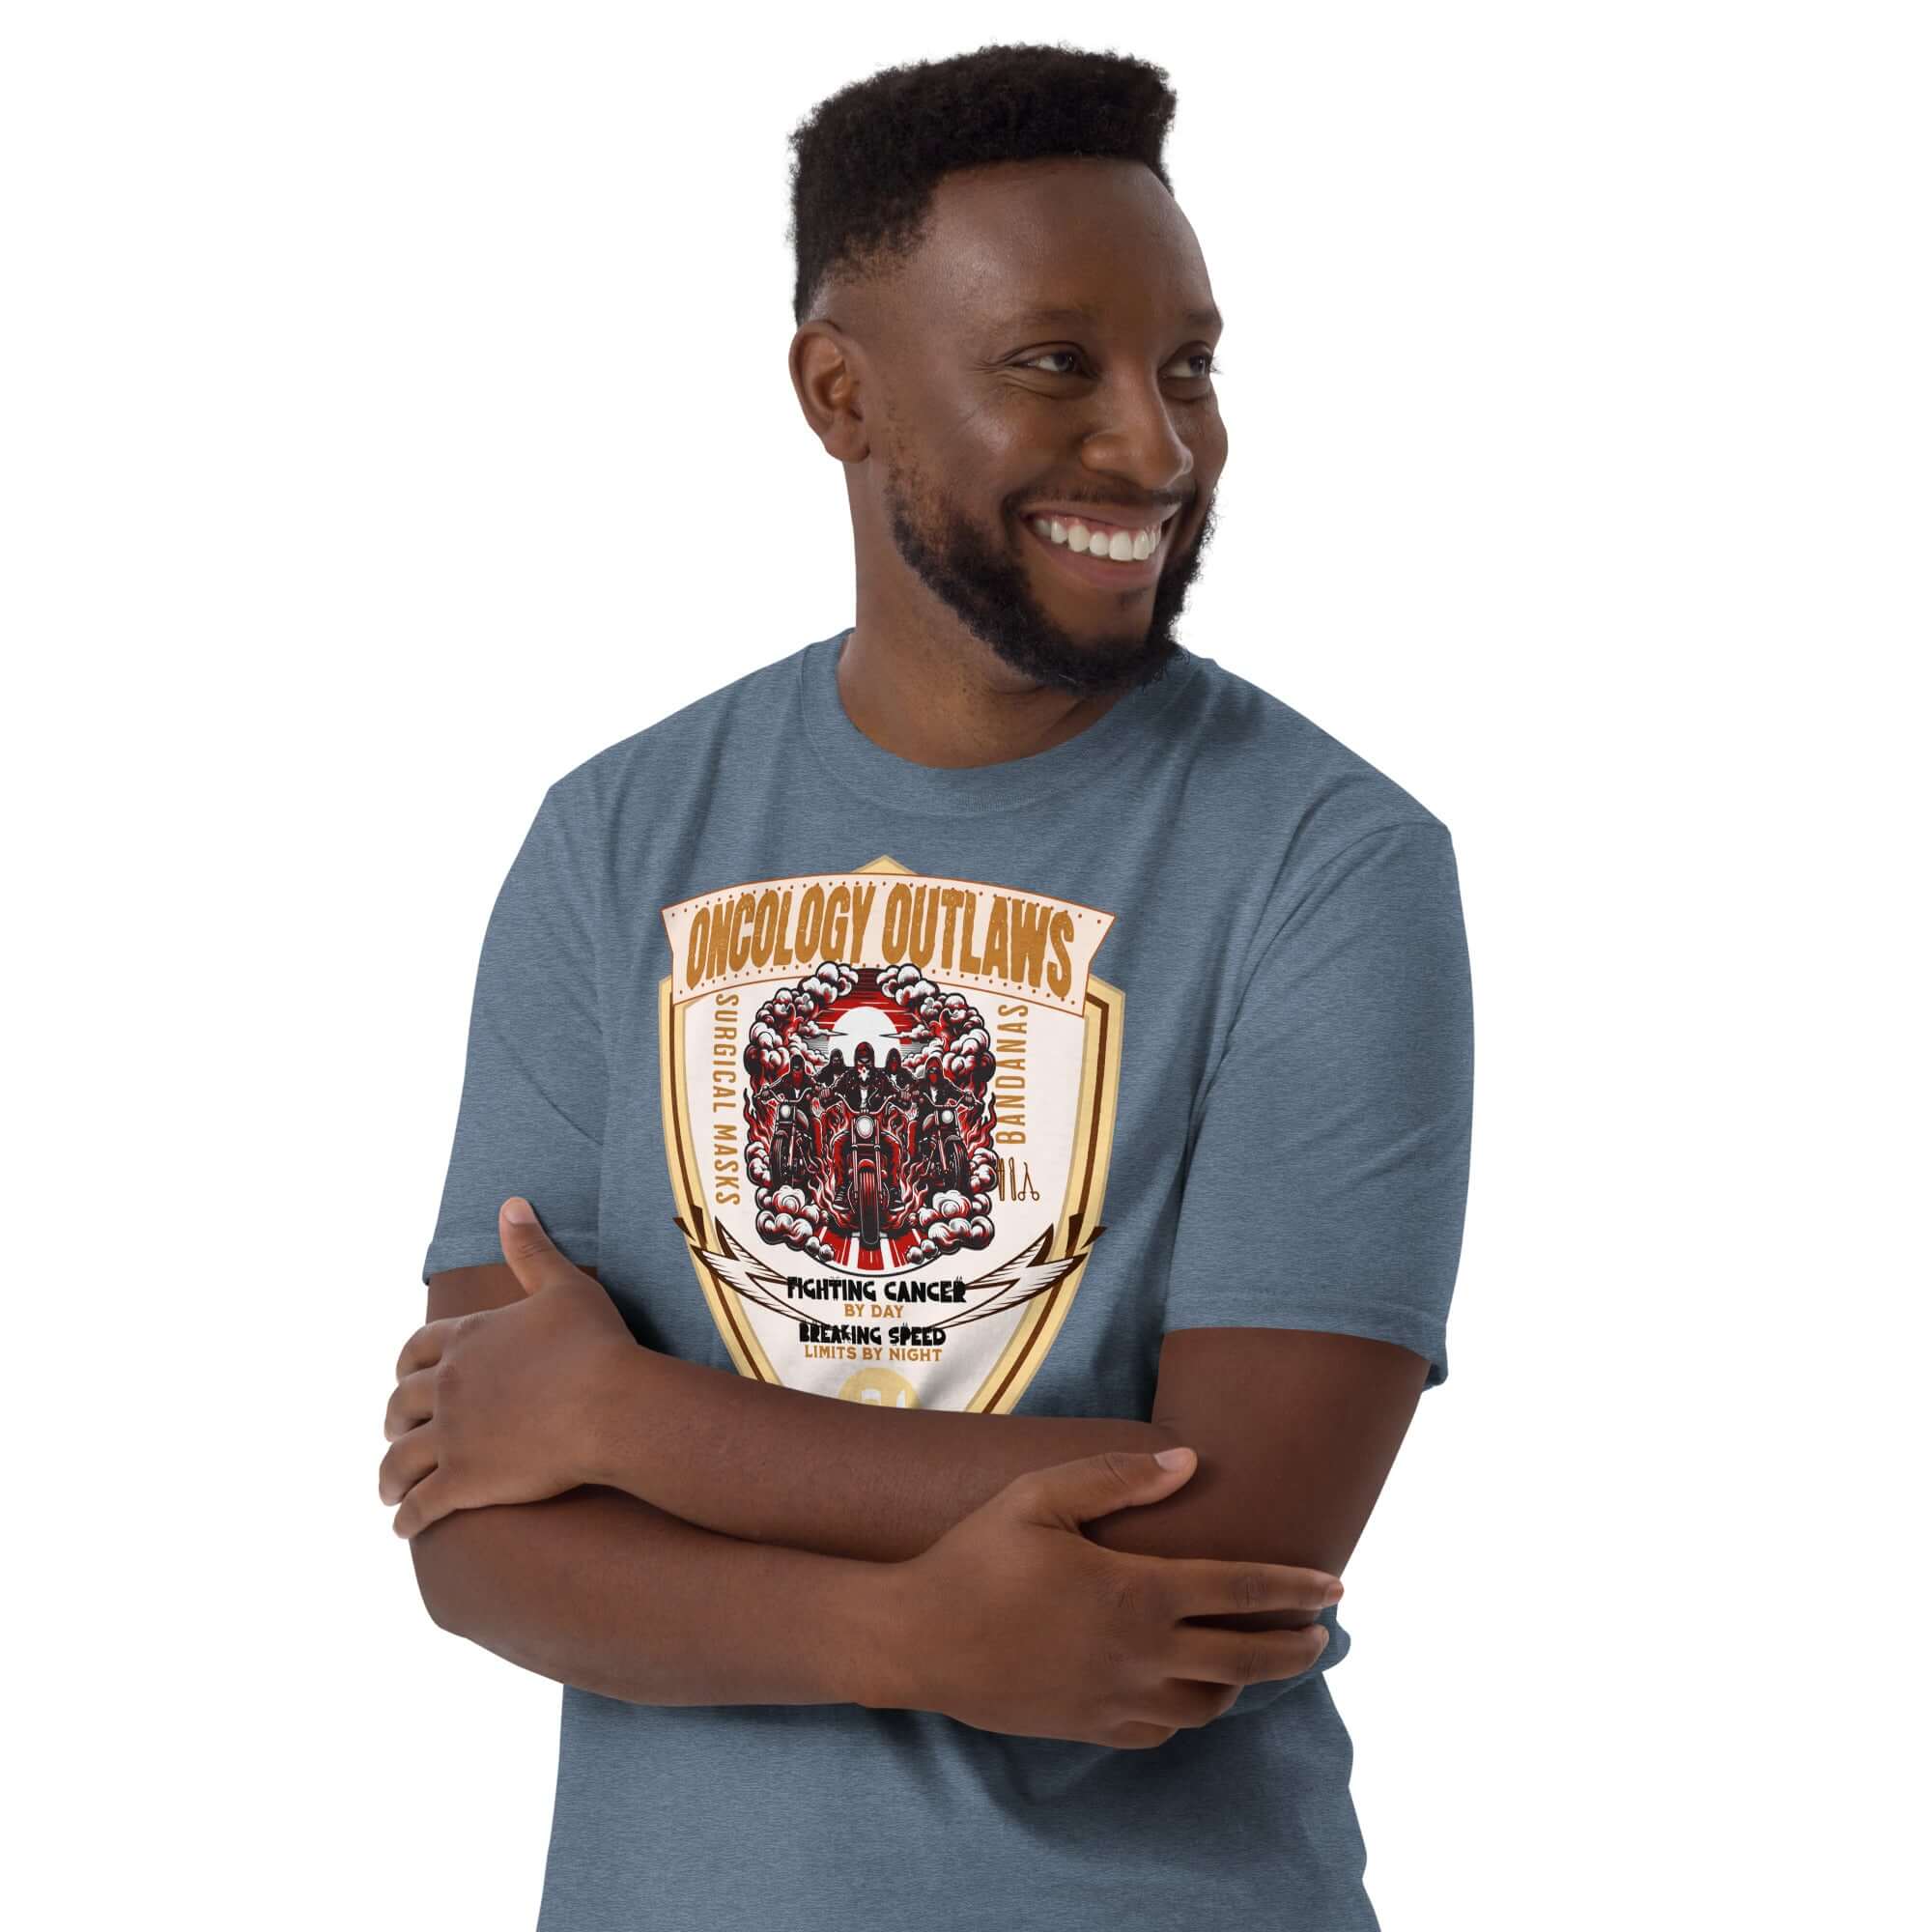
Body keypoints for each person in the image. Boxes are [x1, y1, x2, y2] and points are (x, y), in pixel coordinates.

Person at [380, 41, 1473, 1932]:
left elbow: (1238, 1537)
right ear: (840, 394)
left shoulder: (1333, 860)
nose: (1155, 445)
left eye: (1188, 367)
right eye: (1056, 364)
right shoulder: (615, 837)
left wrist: (631, 1422)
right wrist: (906, 1628)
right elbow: (475, 1517)